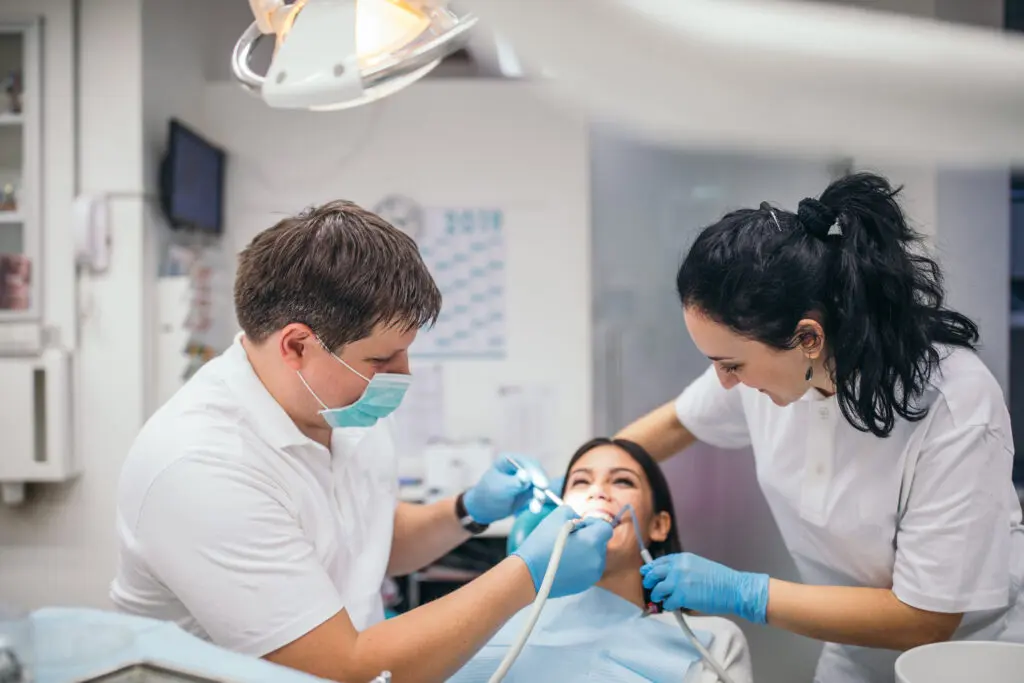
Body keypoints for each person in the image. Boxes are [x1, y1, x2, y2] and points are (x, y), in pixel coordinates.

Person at [110, 200, 614, 683]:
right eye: (381, 360)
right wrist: (526, 576)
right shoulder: (200, 468)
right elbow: (339, 672)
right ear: (297, 345)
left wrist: (467, 511)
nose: (403, 375)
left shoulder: (342, 405)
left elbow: (364, 538)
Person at [618, 172, 1024, 683]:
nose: (723, 383)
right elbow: (678, 423)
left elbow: (930, 618)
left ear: (808, 336)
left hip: (968, 654)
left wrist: (744, 592)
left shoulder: (955, 405)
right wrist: (587, 479)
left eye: (732, 364)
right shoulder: (770, 368)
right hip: (855, 647)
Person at [451, 437, 753, 683]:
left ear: (658, 525)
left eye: (622, 481)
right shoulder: (491, 621)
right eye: (581, 482)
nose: (597, 491)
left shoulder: (713, 641)